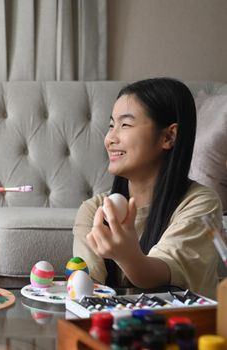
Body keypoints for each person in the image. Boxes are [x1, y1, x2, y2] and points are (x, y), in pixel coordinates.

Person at [73, 77, 223, 298]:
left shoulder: (201, 203)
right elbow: (86, 288)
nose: (110, 138)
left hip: (187, 328)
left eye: (125, 124)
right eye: (111, 125)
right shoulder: (94, 209)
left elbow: (159, 275)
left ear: (168, 136)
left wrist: (128, 256)